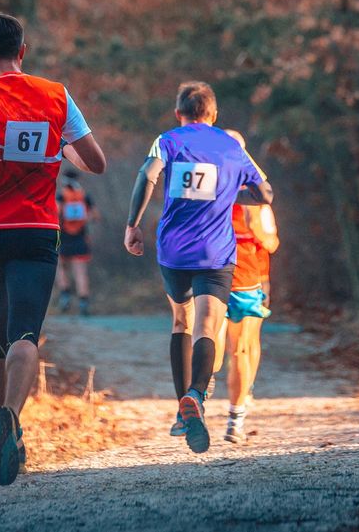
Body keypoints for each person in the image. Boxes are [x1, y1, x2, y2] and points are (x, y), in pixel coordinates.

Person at [0, 12, 106, 485]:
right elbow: (95, 162)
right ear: (23, 51)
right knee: (25, 334)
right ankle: (13, 420)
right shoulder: (57, 95)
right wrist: (57, 148)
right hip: (37, 230)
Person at [124, 82, 273, 454]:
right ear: (214, 115)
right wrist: (226, 192)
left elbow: (148, 175)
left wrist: (133, 224)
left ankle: (182, 411)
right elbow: (265, 195)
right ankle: (196, 396)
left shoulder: (168, 139)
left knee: (181, 321)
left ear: (180, 114)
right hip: (216, 252)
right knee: (208, 325)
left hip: (173, 251)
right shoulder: (230, 145)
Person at [220, 130, 280, 444]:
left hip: (247, 271)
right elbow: (271, 240)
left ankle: (243, 393)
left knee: (243, 344)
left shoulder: (238, 189)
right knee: (242, 346)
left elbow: (271, 241)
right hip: (245, 274)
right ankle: (238, 410)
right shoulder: (251, 190)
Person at [55, 170, 97, 315]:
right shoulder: (84, 196)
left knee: (62, 268)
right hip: (81, 237)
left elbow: (56, 213)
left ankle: (65, 294)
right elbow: (94, 217)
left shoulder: (61, 196)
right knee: (81, 271)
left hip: (63, 237)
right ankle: (83, 302)